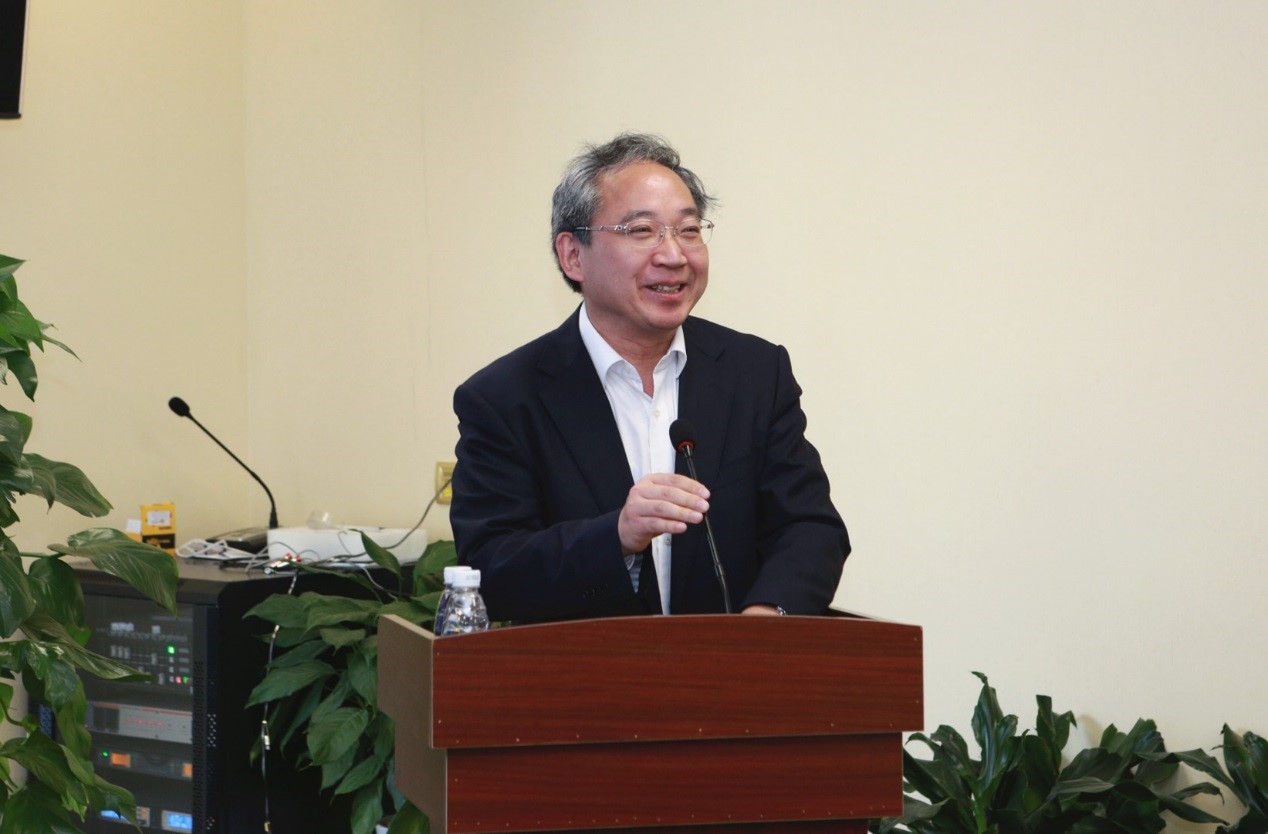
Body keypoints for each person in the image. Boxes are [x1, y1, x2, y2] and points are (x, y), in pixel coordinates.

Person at [450, 133, 848, 624]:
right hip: (585, 670)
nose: (674, 255)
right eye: (642, 231)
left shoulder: (755, 373)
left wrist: (765, 621)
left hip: (736, 666)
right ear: (573, 255)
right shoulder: (505, 398)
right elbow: (493, 568)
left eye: (688, 230)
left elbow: (810, 527)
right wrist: (617, 535)